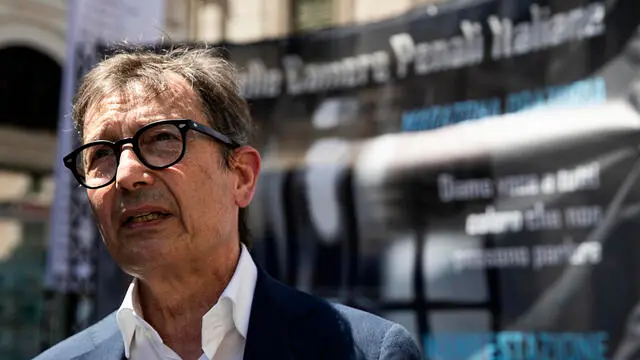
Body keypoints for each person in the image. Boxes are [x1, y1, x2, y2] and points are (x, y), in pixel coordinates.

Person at [34, 46, 422, 360]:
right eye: (101, 154)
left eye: (163, 138)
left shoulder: (366, 352)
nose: (126, 174)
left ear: (241, 176)